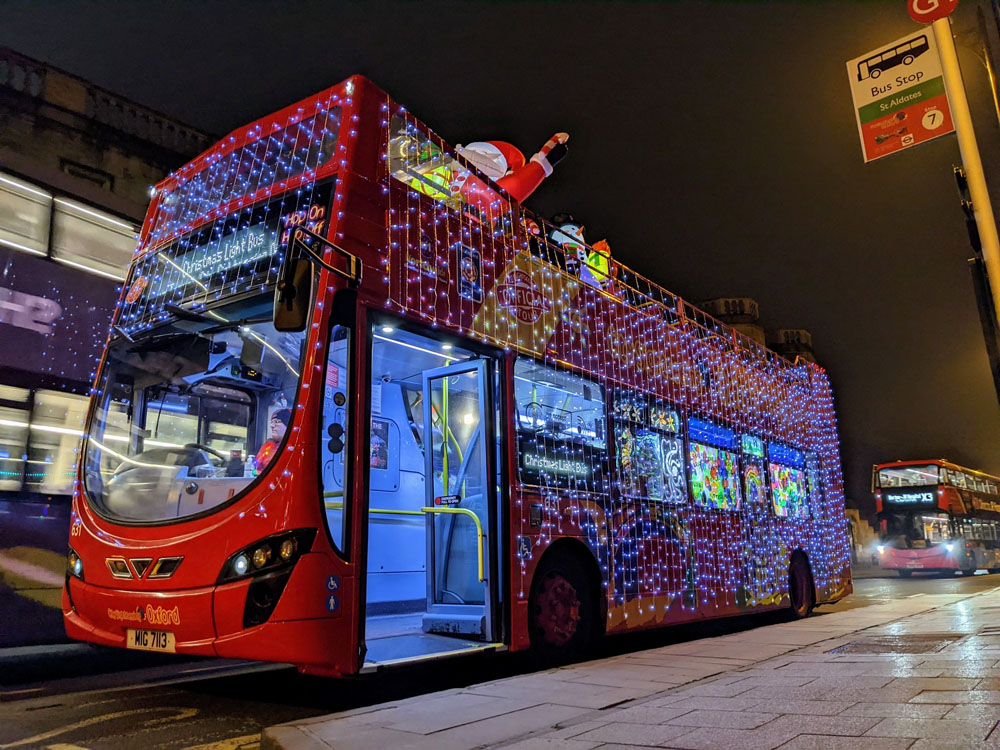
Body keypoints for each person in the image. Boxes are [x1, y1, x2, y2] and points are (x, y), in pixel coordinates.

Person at [255, 408, 291, 472]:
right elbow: (255, 469)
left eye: (276, 421)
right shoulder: (267, 447)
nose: (271, 425)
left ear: (288, 425)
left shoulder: (296, 448)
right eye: (271, 422)